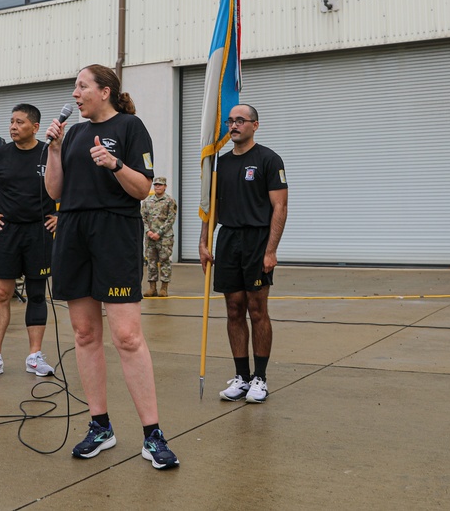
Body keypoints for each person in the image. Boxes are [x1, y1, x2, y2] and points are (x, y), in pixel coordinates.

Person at [45, 64, 179, 470]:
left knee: (127, 336)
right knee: (85, 333)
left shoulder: (130, 127)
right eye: (74, 87)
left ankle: (153, 434)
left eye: (82, 86)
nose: (75, 94)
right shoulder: (73, 135)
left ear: (104, 91)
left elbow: (142, 188)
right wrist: (52, 148)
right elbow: (54, 190)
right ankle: (100, 425)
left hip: (114, 231)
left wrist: (115, 164)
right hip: (72, 230)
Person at [199, 104, 288, 405]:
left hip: (257, 240)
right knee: (234, 309)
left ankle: (260, 378)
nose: (234, 125)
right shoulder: (220, 164)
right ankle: (242, 377)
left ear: (255, 125)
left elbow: (280, 207)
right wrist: (203, 242)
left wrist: (271, 250)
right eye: (230, 121)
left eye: (240, 120)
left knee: (257, 309)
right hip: (229, 240)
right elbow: (210, 209)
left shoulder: (268, 160)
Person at [0, 104, 57, 379]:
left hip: (40, 232)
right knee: (1, 294)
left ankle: (35, 356)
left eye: (19, 122)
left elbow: (71, 182)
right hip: (8, 232)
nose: (13, 126)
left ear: (34, 127)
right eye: (11, 121)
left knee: (36, 294)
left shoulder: (49, 153)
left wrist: (61, 213)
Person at [141, 176, 177, 297]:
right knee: (151, 262)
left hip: (164, 237)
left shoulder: (170, 201)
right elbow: (143, 218)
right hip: (150, 237)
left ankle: (164, 288)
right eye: (156, 185)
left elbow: (171, 219)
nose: (157, 187)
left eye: (160, 185)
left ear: (165, 186)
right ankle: (152, 288)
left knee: (164, 261)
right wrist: (148, 232)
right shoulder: (147, 201)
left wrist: (159, 233)